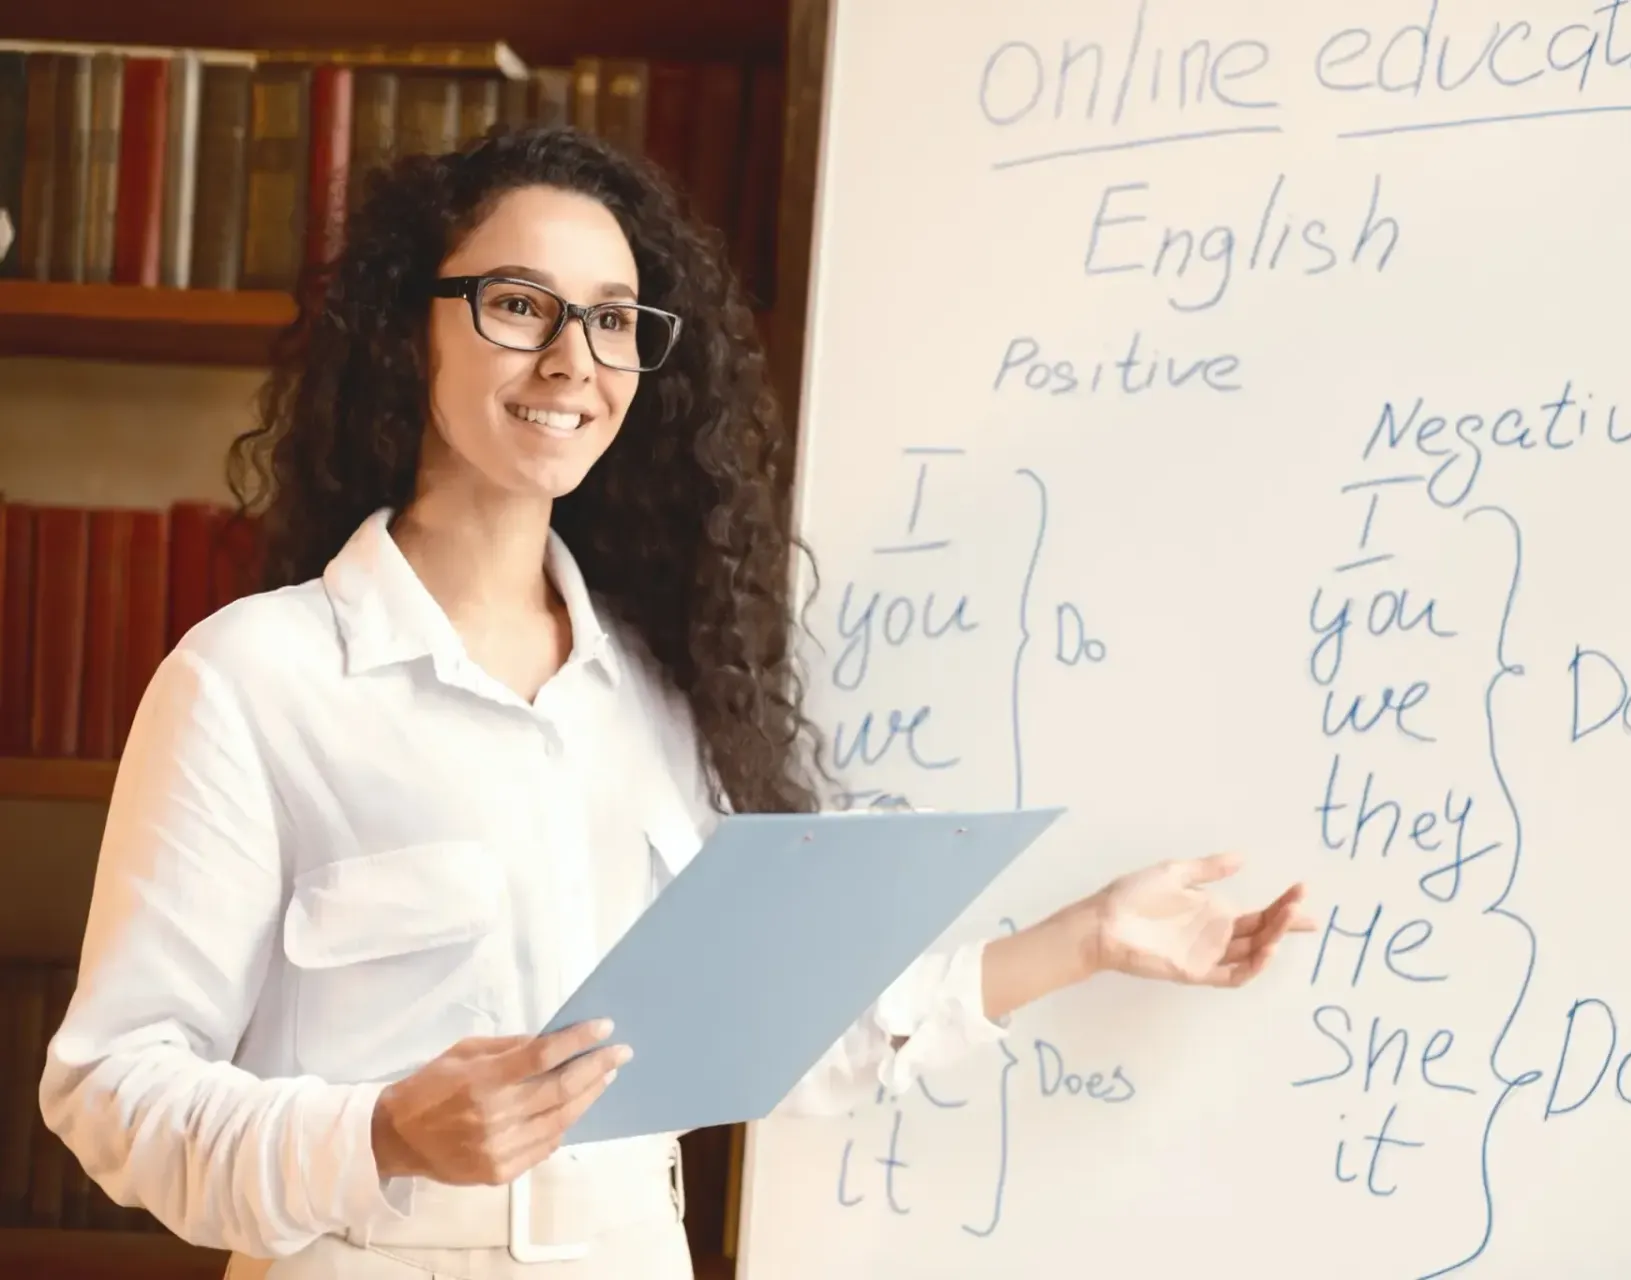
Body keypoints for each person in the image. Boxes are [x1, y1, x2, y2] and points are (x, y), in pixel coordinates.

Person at [38, 126, 1316, 1279]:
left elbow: (776, 1031)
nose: (570, 358)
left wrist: (1085, 936)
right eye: (519, 302)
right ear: (404, 326)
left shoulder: (656, 695)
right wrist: (379, 1128)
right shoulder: (254, 678)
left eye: (613, 320)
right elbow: (111, 1089)